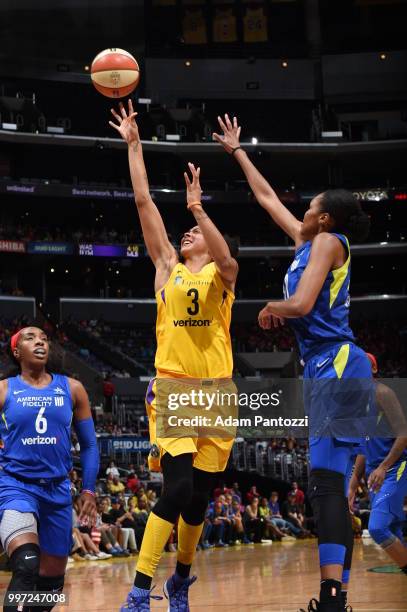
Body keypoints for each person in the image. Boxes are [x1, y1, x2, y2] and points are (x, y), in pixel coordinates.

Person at [214, 114, 371, 612]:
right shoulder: (310, 242)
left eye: (310, 208)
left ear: (324, 218)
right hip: (329, 365)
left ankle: (330, 599)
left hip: (336, 363)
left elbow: (301, 305)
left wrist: (268, 307)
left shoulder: (327, 242)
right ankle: (336, 598)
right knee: (331, 485)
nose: (300, 211)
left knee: (325, 482)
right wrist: (238, 151)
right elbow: (267, 199)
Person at [110, 100, 239, 611]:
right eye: (186, 233)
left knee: (201, 499)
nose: (187, 237)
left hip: (219, 395)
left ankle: (180, 581)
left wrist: (198, 209)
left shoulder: (221, 274)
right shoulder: (168, 266)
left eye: (195, 236)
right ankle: (140, 590)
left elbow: (226, 256)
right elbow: (143, 203)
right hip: (174, 387)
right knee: (179, 487)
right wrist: (135, 145)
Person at [0, 326, 99, 612]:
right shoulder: (5, 389)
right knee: (27, 562)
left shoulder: (72, 388)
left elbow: (90, 446)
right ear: (17, 352)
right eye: (30, 338)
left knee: (52, 586)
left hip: (57, 490)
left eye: (44, 338)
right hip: (15, 485)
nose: (40, 341)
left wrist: (89, 490)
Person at [348, 353, 407, 577]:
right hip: (375, 476)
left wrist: (383, 467)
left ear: (373, 369)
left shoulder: (382, 393)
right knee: (392, 530)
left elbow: (403, 435)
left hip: (395, 467)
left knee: (377, 528)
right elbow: (363, 448)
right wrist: (353, 484)